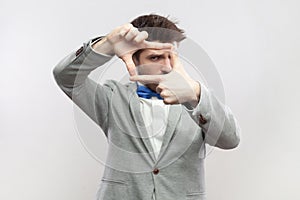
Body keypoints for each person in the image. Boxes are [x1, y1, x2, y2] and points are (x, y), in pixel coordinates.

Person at [53, 14, 240, 200]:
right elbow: (65, 77)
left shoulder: (198, 101)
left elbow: (230, 139)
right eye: (155, 57)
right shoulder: (113, 97)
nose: (167, 66)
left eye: (172, 57)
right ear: (135, 61)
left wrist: (195, 94)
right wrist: (106, 45)